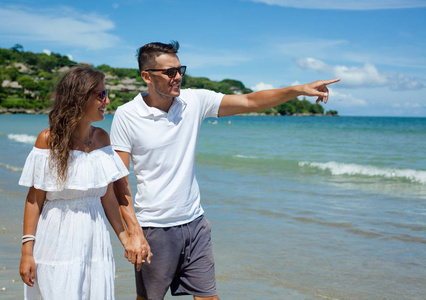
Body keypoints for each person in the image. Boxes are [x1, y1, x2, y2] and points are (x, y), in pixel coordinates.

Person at [110, 41, 340, 300]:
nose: (178, 77)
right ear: (146, 76)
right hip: (155, 227)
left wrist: (297, 90)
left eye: (180, 69)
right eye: (170, 72)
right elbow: (120, 181)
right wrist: (133, 233)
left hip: (195, 224)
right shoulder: (127, 115)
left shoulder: (193, 101)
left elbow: (250, 101)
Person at [19, 66, 130, 299]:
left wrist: (125, 238)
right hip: (56, 237)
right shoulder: (48, 140)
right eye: (101, 94)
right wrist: (27, 251)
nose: (107, 101)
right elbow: (35, 200)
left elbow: (108, 197)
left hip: (95, 239)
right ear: (79, 97)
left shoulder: (102, 138)